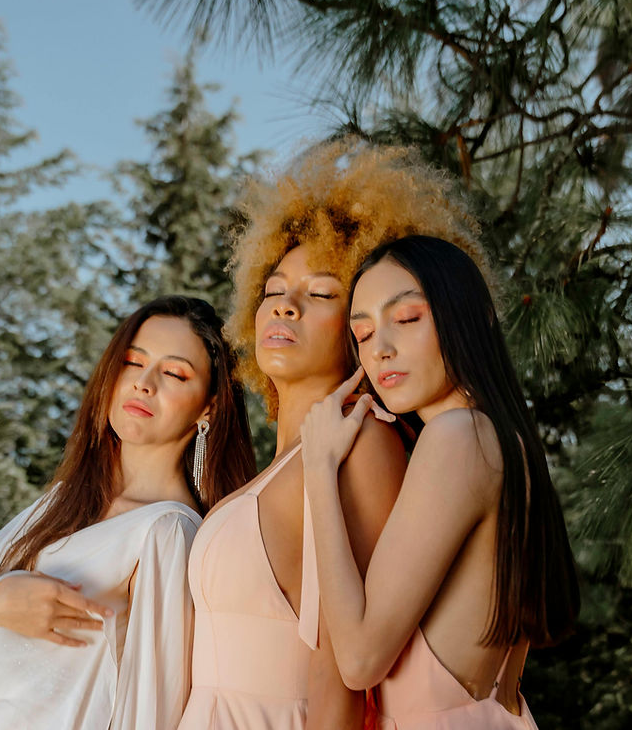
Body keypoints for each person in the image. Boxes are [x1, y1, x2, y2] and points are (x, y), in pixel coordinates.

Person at [178, 142, 484, 729]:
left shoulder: (359, 441)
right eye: (273, 291)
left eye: (319, 294)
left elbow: (345, 676)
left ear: (360, 329)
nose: (285, 307)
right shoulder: (273, 468)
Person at [0, 295, 255, 730]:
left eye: (175, 373)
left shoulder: (166, 533)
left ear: (209, 406)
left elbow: (151, 711)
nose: (144, 383)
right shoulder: (62, 501)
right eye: (131, 362)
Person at [300, 235, 581, 729]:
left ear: (472, 315)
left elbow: (360, 659)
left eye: (407, 319)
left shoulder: (458, 436)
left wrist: (319, 470)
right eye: (362, 335)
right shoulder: (500, 439)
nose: (380, 350)